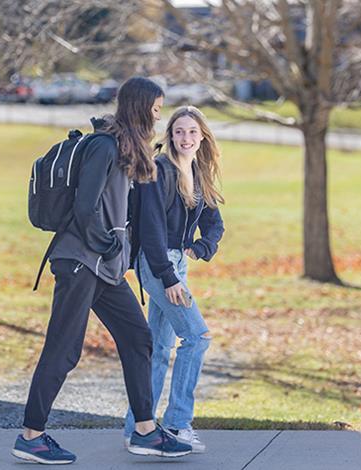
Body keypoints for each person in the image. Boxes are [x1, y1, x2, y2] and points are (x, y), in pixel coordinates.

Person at [14, 77, 194, 464]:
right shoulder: (104, 146)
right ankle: (31, 435)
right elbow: (84, 206)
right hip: (81, 261)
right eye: (156, 109)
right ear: (139, 107)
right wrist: (108, 242)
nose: (158, 117)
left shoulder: (129, 150)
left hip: (104, 268)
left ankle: (145, 430)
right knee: (64, 348)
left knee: (138, 338)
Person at [122, 106, 228, 451]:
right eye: (179, 131)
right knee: (197, 338)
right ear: (170, 136)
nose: (186, 138)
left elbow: (215, 223)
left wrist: (199, 248)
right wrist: (168, 278)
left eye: (192, 132)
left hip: (176, 263)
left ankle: (137, 428)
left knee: (159, 347)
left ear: (202, 137)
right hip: (157, 266)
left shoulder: (198, 173)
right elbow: (150, 231)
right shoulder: (159, 171)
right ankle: (179, 425)